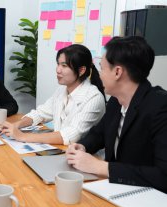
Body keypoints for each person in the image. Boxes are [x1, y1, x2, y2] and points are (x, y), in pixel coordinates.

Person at [66, 36, 167, 193]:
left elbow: (163, 175)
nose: (99, 75)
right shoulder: (115, 101)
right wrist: (83, 146)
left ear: (118, 72)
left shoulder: (160, 107)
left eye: (102, 68)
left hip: (148, 200)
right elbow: (99, 134)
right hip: (115, 190)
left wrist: (102, 167)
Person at [1, 44, 106, 145]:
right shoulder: (61, 90)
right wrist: (15, 125)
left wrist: (22, 136)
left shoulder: (93, 97)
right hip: (62, 150)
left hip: (85, 157)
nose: (58, 70)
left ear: (81, 70)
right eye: (58, 64)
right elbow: (40, 114)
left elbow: (72, 135)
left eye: (64, 66)